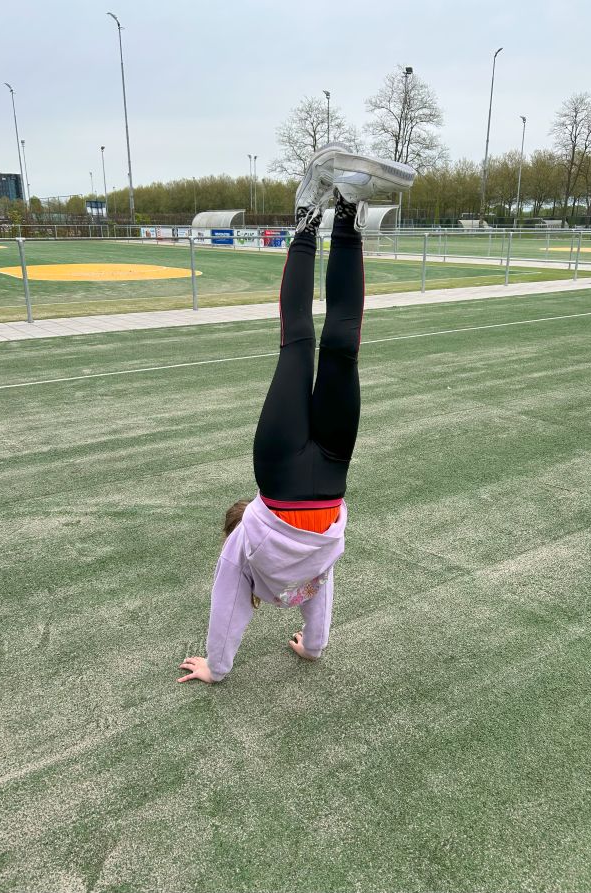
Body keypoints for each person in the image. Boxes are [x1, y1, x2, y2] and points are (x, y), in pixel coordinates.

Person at [178, 145, 415, 683]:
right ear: (242, 517)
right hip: (281, 470)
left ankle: (349, 216)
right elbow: (225, 602)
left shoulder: (316, 560)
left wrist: (313, 646)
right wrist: (216, 664)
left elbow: (316, 599)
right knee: (297, 341)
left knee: (342, 343)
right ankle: (309, 219)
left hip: (333, 475)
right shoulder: (245, 544)